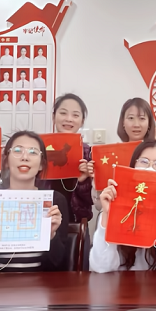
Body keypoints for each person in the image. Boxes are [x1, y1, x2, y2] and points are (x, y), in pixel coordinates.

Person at [0, 131, 69, 274]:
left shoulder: (54, 201)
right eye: (18, 150)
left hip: (40, 285)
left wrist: (51, 235)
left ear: (42, 164)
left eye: (33, 152)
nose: (25, 157)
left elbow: (61, 268)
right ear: (6, 161)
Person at [90, 140, 156, 272]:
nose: (150, 168)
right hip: (122, 283)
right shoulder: (114, 204)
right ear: (133, 167)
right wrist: (108, 215)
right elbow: (101, 267)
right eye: (144, 162)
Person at [49, 94, 95, 226]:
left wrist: (82, 182)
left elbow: (92, 200)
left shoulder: (88, 153)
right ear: (54, 116)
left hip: (76, 222)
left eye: (75, 115)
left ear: (82, 121)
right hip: (44, 219)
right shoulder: (41, 148)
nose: (69, 119)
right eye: (63, 113)